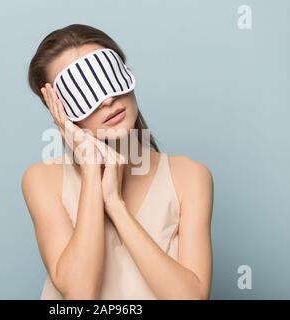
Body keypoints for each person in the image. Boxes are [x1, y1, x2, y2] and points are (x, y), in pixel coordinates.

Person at [22, 24, 214, 300]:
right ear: (58, 109)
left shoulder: (190, 177)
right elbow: (79, 296)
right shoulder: (42, 180)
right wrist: (91, 171)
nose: (107, 100)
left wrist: (115, 205)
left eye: (108, 78)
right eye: (84, 91)